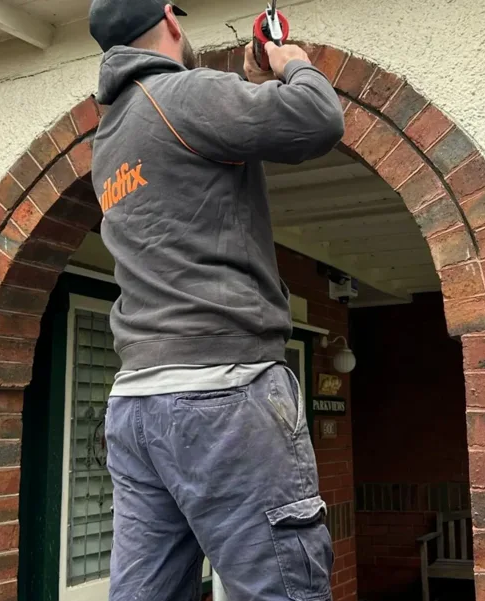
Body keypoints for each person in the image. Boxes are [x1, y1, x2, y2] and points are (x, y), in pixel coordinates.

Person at [88, 1, 345, 599]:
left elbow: (196, 173)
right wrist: (291, 63)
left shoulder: (112, 135)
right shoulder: (183, 94)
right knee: (281, 589)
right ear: (172, 21)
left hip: (136, 408)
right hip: (223, 398)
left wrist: (250, 91)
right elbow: (316, 118)